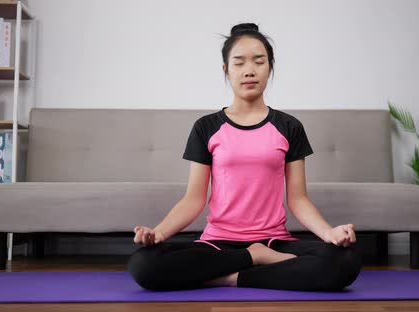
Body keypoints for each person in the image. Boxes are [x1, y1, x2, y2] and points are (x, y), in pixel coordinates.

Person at [127, 22, 362, 291]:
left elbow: (298, 199)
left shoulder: (289, 127)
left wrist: (329, 233)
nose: (249, 70)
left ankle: (232, 278)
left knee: (345, 261)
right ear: (226, 71)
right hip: (218, 243)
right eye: (239, 63)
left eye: (259, 62)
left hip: (274, 242)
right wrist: (159, 233)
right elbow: (194, 199)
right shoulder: (206, 127)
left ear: (270, 67)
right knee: (143, 265)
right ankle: (254, 258)